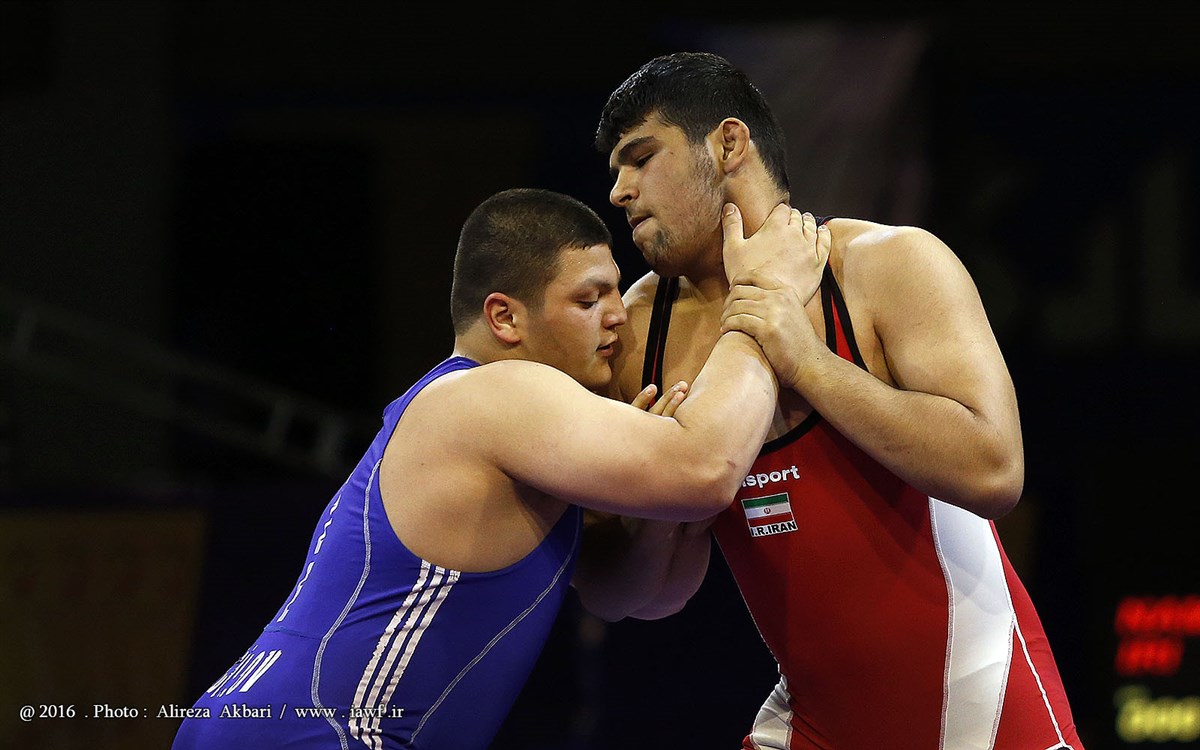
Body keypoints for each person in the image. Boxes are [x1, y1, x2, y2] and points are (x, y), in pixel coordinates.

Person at [170, 187, 828, 750]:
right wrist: (765, 303)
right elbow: (707, 469)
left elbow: (635, 597)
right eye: (588, 300)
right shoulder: (497, 393)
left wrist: (660, 513)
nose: (617, 317)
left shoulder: (486, 419)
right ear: (505, 317)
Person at [580, 51, 1087, 749]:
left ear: (729, 144)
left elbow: (994, 472)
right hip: (815, 725)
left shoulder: (886, 265)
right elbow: (627, 598)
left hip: (985, 716)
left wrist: (807, 360)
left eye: (641, 158)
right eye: (615, 171)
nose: (619, 191)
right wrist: (661, 512)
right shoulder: (640, 333)